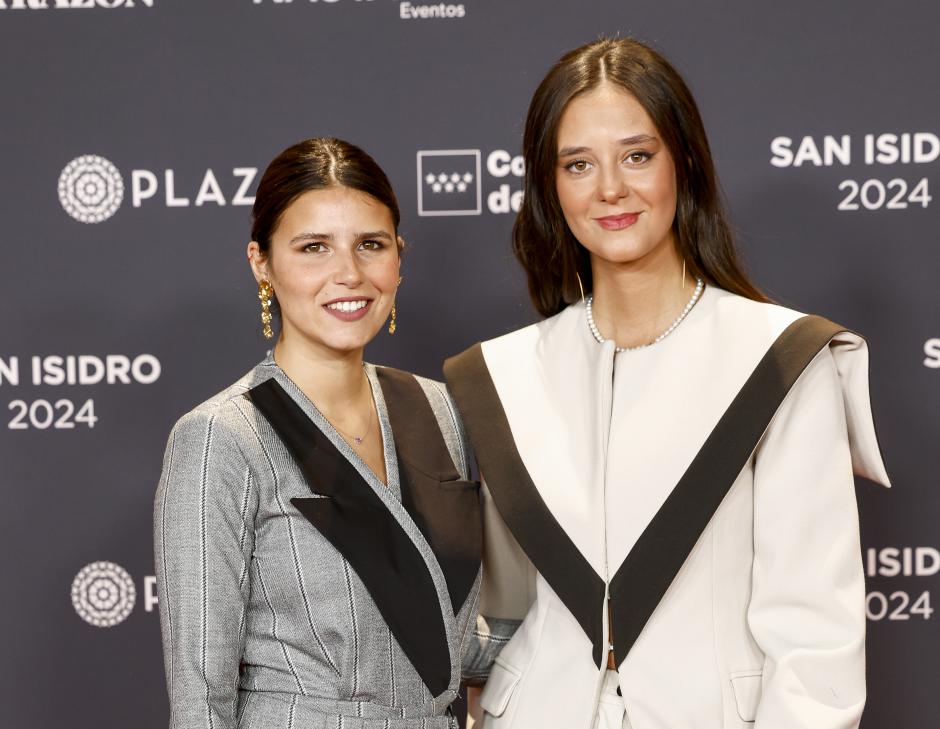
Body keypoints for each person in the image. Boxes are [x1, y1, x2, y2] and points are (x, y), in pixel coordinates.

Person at [446, 38, 890, 729]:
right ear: (549, 185)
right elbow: (498, 616)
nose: (610, 189)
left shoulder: (779, 360)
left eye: (637, 155)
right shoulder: (500, 375)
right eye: (578, 164)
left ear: (683, 161)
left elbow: (815, 643)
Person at [154, 138, 481, 729]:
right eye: (313, 248)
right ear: (262, 263)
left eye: (370, 245)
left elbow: (458, 637)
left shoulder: (434, 407)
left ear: (398, 258)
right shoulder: (221, 438)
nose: (348, 274)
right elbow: (201, 697)